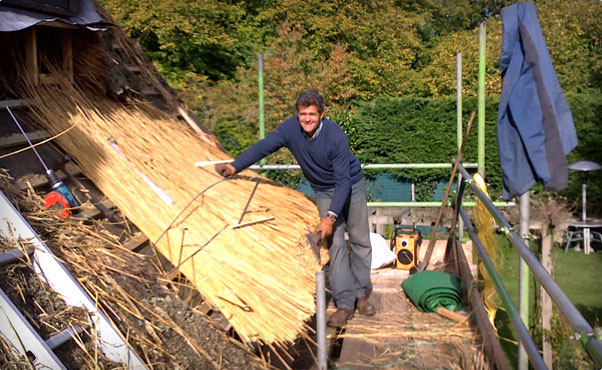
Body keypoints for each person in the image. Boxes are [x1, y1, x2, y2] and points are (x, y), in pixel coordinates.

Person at [215, 89, 374, 327]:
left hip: (351, 185)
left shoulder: (335, 135)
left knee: (360, 240)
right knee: (335, 245)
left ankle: (361, 294)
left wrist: (330, 217)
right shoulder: (290, 129)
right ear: (297, 115)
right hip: (323, 189)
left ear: (322, 114)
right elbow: (264, 147)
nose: (307, 119)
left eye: (312, 114)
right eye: (302, 114)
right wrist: (234, 166)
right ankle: (344, 304)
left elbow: (343, 182)